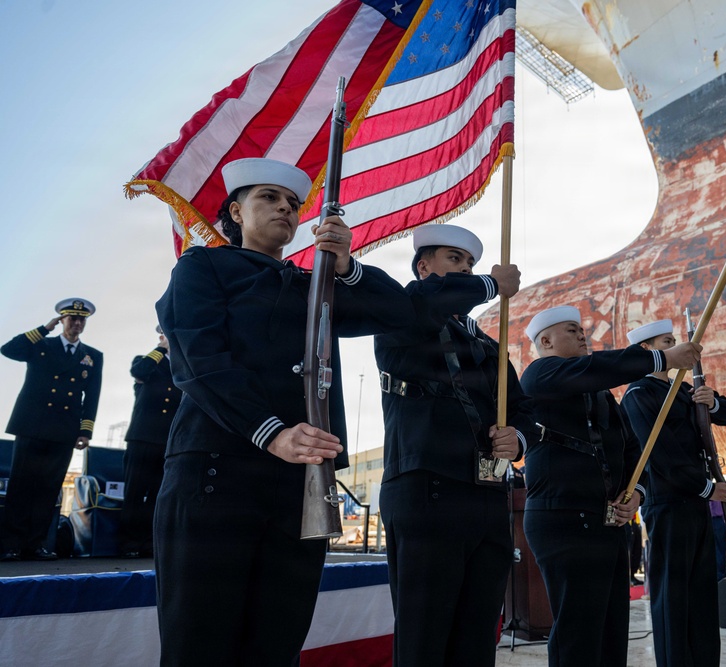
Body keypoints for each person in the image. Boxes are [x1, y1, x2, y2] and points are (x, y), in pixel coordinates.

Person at [153, 157, 413, 666]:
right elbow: (197, 358)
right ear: (236, 212)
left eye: (293, 204)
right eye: (268, 198)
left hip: (298, 484)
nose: (285, 209)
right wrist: (269, 431)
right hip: (216, 473)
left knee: (276, 645)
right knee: (199, 644)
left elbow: (400, 313)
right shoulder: (203, 267)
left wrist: (347, 265)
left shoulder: (314, 284)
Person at [374, 223, 536, 667]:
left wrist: (517, 438)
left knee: (477, 637)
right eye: (454, 259)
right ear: (424, 267)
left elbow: (524, 410)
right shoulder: (403, 313)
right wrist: (489, 284)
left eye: (470, 263)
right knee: (425, 636)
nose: (465, 268)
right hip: (428, 488)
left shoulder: (487, 345)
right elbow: (428, 301)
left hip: (487, 493)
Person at [518, 307, 701, 667]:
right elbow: (597, 368)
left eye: (582, 330)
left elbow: (633, 450)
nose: (582, 335)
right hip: (564, 521)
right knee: (578, 634)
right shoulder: (539, 374)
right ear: (546, 341)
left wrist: (636, 493)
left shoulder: (601, 396)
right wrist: (661, 358)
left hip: (608, 524)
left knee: (611, 632)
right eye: (572, 330)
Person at [620, 318, 726, 667]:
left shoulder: (684, 389)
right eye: (667, 342)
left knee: (702, 593)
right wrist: (707, 488)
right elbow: (660, 455)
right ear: (647, 350)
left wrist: (711, 402)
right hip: (668, 502)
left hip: (697, 501)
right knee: (672, 596)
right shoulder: (638, 394)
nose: (676, 346)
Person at [0, 298, 102, 562]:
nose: (77, 323)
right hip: (31, 426)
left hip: (63, 430)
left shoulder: (92, 356)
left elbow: (92, 397)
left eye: (81, 320)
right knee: (21, 487)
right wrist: (44, 329)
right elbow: (8, 349)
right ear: (61, 320)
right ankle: (11, 545)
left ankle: (36, 545)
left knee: (48, 489)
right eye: (72, 318)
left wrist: (85, 431)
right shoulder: (41, 344)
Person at [118, 327, 178, 558]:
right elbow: (139, 371)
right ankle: (129, 543)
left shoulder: (181, 368)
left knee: (158, 494)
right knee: (135, 492)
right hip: (141, 438)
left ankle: (149, 543)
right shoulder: (147, 363)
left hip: (167, 442)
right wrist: (161, 349)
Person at [709, 500, 726, 581]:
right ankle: (720, 575)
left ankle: (717, 575)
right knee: (720, 549)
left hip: (711, 519)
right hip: (719, 519)